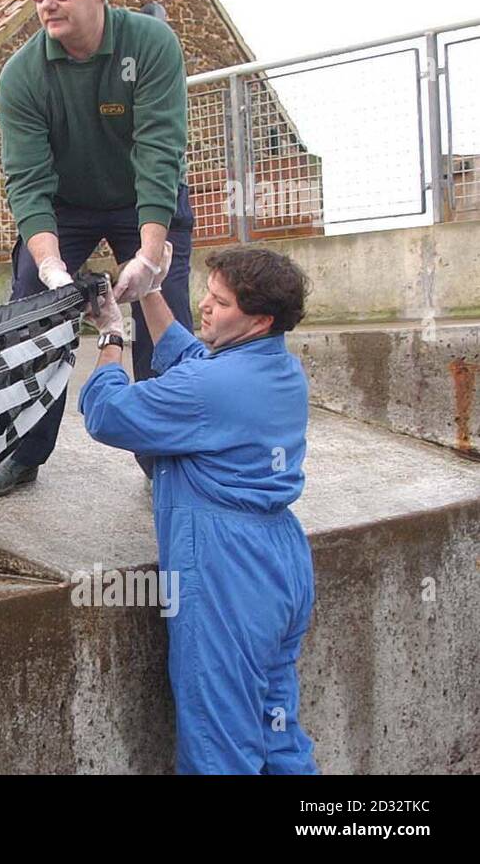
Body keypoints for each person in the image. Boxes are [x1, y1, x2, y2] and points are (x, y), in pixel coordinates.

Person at [78, 245, 318, 774]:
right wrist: (150, 294)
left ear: (259, 319)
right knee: (275, 732)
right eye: (206, 295)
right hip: (281, 564)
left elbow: (108, 413)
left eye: (221, 303)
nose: (206, 308)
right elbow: (195, 358)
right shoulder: (279, 367)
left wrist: (112, 336)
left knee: (219, 747)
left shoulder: (212, 389)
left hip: (226, 572)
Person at [0, 0, 195, 497]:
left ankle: (164, 460)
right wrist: (49, 266)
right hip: (65, 207)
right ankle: (23, 452)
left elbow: (158, 151)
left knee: (162, 322)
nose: (47, 2)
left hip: (142, 198)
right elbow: (26, 180)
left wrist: (150, 256)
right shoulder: (22, 74)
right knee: (31, 317)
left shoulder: (150, 44)